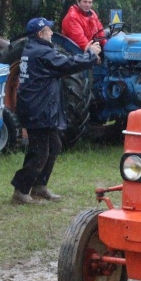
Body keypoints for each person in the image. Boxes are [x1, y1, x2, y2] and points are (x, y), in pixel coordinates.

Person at [10, 17, 101, 205]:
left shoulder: (36, 49)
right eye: (48, 30)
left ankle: (39, 186)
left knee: (54, 146)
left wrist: (86, 55)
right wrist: (90, 55)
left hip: (40, 108)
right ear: (39, 34)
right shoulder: (41, 52)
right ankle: (21, 190)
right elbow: (67, 65)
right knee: (40, 151)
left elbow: (64, 62)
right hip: (38, 109)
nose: (52, 32)